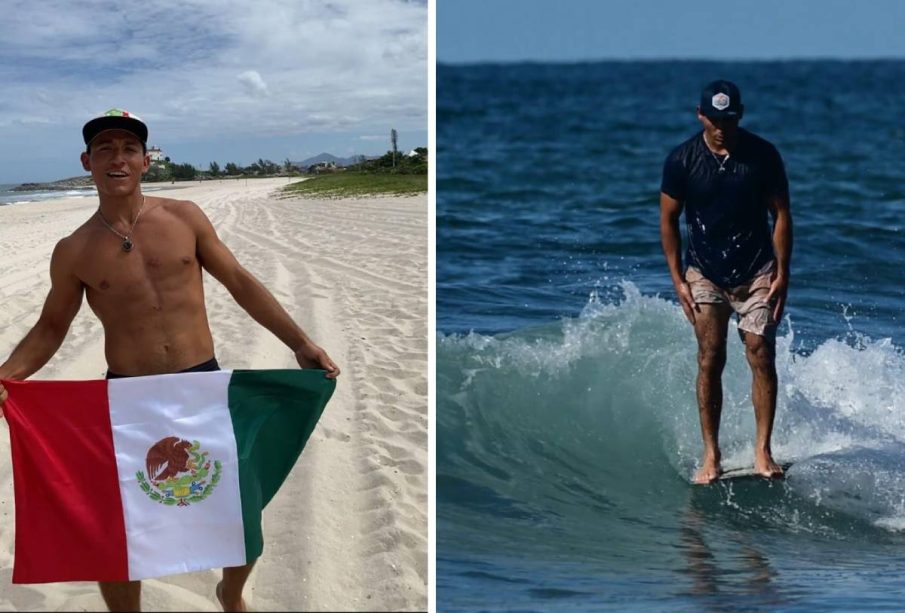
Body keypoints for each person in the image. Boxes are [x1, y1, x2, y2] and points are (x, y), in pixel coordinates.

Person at [0, 108, 341, 611]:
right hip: (128, 400)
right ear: (87, 162)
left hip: (202, 387)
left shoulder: (184, 218)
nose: (118, 158)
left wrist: (299, 342)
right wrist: (6, 376)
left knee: (237, 505)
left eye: (129, 149)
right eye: (105, 150)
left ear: (145, 160)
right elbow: (53, 326)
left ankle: (232, 591)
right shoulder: (73, 250)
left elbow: (240, 281)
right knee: (116, 525)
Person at [659, 81, 793, 485]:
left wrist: (783, 273)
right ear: (700, 115)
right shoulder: (682, 160)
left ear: (740, 115)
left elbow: (781, 215)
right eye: (715, 120)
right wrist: (677, 277)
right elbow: (668, 220)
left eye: (729, 119)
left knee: (759, 352)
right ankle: (711, 455)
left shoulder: (762, 156)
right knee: (710, 357)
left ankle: (762, 451)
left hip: (757, 271)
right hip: (704, 272)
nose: (722, 127)